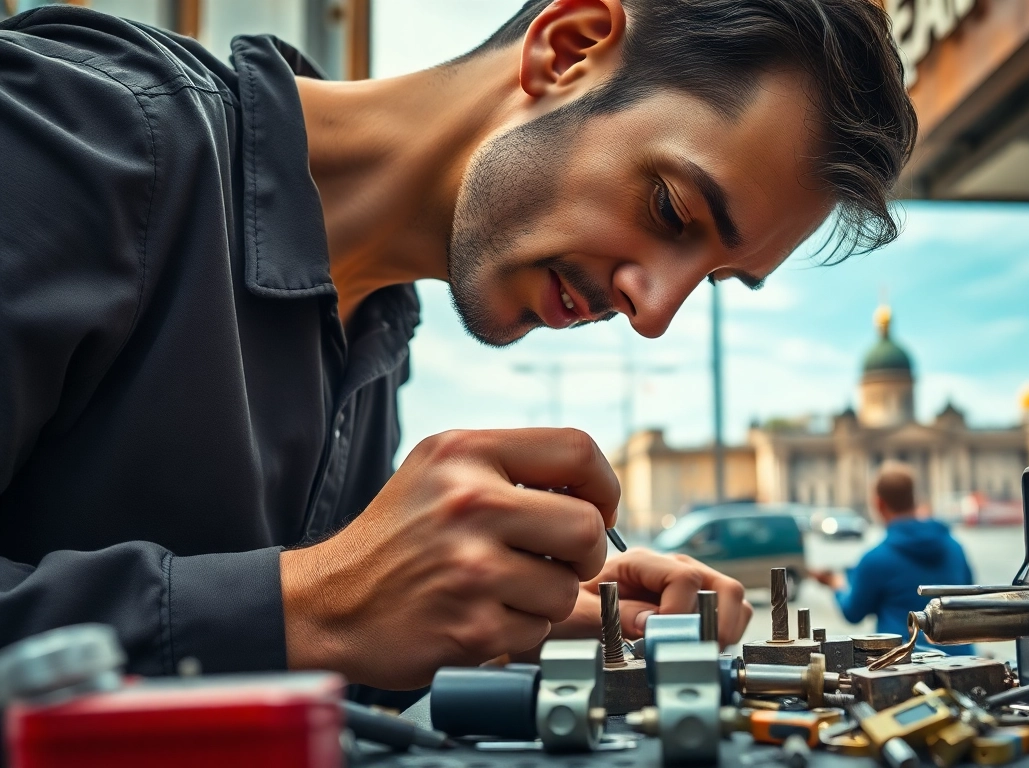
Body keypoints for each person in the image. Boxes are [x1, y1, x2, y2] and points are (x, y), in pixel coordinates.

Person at [0, 0, 917, 692]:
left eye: (711, 278)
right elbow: (299, 613)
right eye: (671, 209)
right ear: (567, 51)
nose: (654, 313)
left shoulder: (373, 344)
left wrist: (518, 611)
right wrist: (308, 605)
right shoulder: (86, 139)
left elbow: (270, 674)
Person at [811, 462, 975, 655]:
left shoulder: (876, 559)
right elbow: (969, 597)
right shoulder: (954, 547)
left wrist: (836, 583)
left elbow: (853, 612)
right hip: (961, 662)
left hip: (905, 666)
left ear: (879, 503)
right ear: (914, 499)